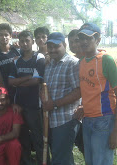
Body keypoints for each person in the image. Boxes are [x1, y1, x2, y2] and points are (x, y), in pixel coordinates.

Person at [78, 23, 117, 165]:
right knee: (91, 162)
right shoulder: (81, 62)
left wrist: (116, 130)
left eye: (89, 38)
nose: (84, 41)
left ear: (97, 39)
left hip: (104, 120)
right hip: (87, 121)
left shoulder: (107, 60)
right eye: (81, 38)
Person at [41, 32, 81, 165]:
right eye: (49, 46)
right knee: (63, 157)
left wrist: (55, 104)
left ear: (64, 45)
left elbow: (79, 91)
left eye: (56, 46)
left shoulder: (73, 64)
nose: (52, 50)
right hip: (51, 119)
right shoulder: (49, 64)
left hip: (66, 120)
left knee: (60, 159)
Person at [8, 30, 45, 165]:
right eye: (22, 41)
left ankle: (43, 161)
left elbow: (36, 81)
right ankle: (26, 162)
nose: (24, 43)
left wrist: (20, 81)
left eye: (27, 41)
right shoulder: (16, 60)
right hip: (19, 105)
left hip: (35, 105)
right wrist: (29, 77)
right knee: (22, 137)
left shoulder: (39, 58)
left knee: (38, 137)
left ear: (32, 42)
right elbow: (11, 82)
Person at [0, 23, 20, 102]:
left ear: (10, 36)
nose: (4, 37)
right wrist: (3, 90)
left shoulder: (17, 50)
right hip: (6, 87)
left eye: (6, 35)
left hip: (20, 86)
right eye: (1, 35)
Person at [68, 29, 85, 157]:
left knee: (87, 146)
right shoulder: (72, 61)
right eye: (70, 42)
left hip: (88, 109)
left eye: (76, 41)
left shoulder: (89, 59)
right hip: (75, 109)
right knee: (80, 142)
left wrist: (84, 105)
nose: (73, 44)